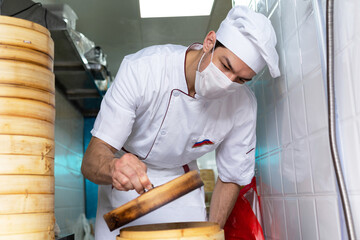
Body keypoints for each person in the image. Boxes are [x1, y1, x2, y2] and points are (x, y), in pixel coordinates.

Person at [81, 5, 280, 240]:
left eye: (241, 80)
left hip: (181, 187)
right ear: (209, 42)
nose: (228, 83)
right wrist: (114, 168)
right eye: (226, 66)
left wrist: (211, 233)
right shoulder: (143, 70)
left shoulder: (243, 105)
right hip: (124, 189)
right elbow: (91, 161)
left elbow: (231, 177)